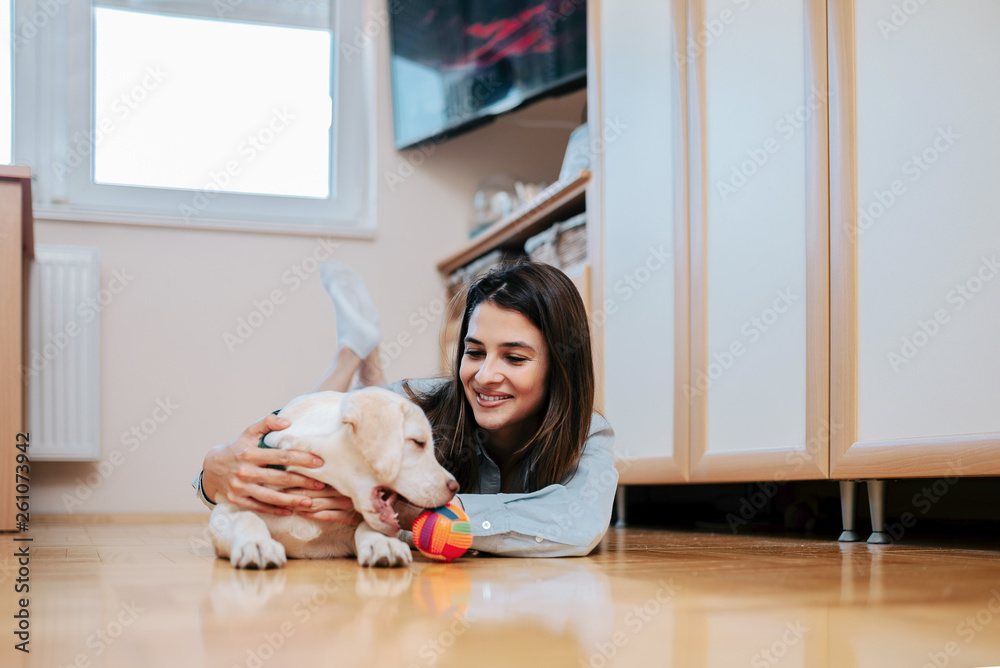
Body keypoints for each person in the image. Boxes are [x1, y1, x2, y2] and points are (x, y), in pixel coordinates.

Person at [194, 260, 618, 557]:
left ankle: (358, 358)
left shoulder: (589, 435)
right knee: (347, 411)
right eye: (474, 352)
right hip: (363, 408)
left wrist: (416, 513)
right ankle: (352, 354)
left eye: (515, 358)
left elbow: (577, 525)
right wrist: (212, 475)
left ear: (560, 365)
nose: (486, 376)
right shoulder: (421, 403)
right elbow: (302, 432)